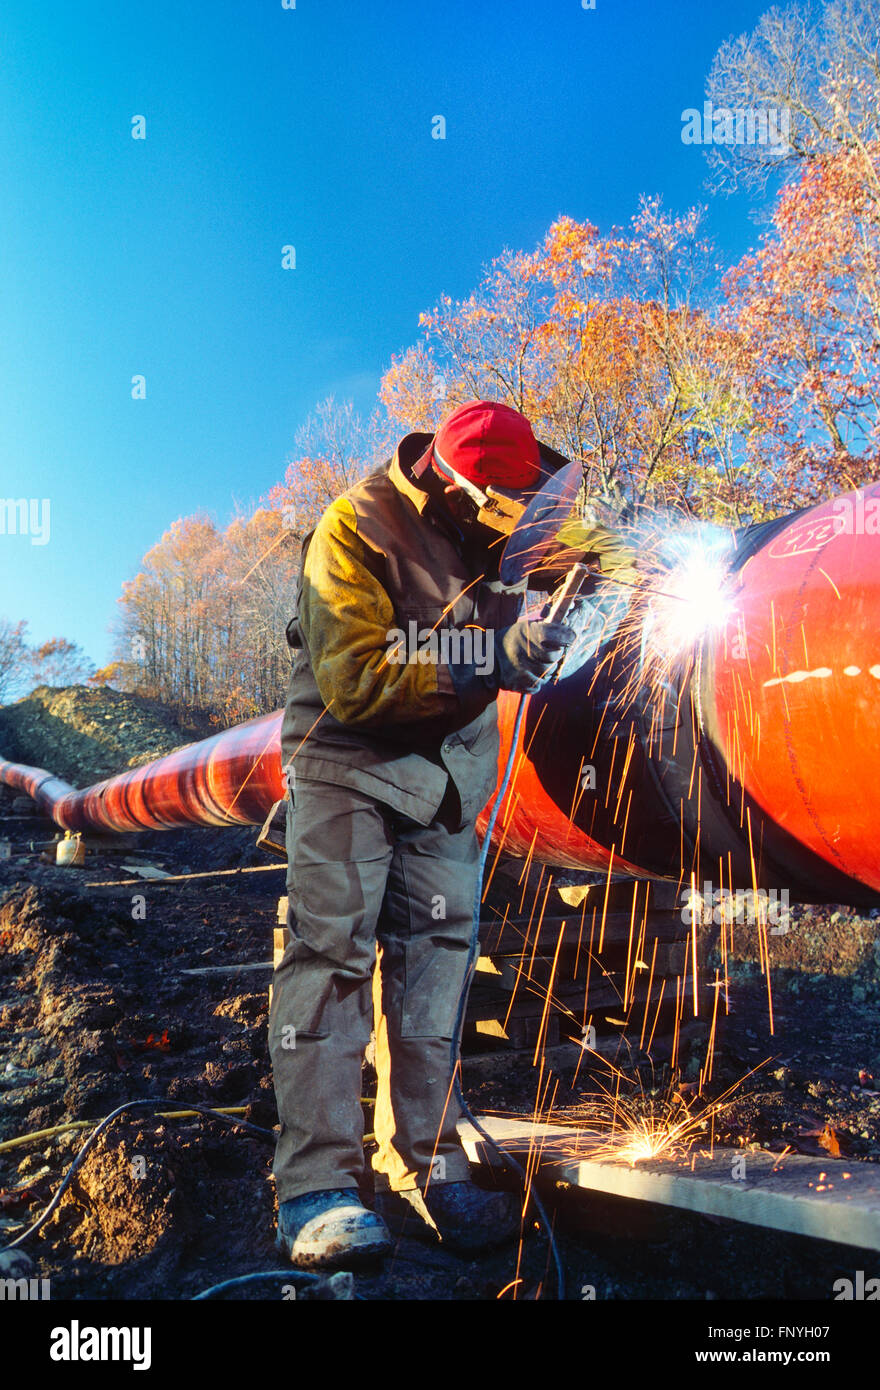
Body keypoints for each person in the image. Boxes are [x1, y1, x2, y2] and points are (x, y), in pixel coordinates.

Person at [268, 399, 627, 1268]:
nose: (516, 529)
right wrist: (493, 661)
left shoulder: (517, 513)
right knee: (334, 958)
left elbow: (598, 552)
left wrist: (636, 554)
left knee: (436, 967)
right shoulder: (355, 527)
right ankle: (317, 1188)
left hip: (450, 778)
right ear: (455, 483)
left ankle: (426, 1170)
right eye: (500, 508)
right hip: (351, 761)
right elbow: (357, 679)